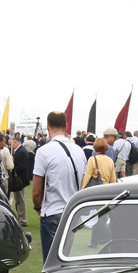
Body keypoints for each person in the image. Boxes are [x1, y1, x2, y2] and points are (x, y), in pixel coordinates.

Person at [32, 111, 87, 262]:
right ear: (66, 126)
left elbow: (36, 190)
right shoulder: (79, 151)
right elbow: (82, 184)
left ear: (48, 126)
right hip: (72, 212)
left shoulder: (44, 151)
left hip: (52, 212)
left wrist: (38, 208)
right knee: (65, 261)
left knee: (51, 265)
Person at [8, 136, 31, 224]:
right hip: (19, 179)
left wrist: (13, 168)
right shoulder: (19, 151)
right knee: (18, 199)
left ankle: (23, 219)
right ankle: (21, 218)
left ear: (16, 142)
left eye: (11, 144)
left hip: (20, 180)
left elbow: (22, 167)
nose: (10, 146)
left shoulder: (22, 152)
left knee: (20, 200)